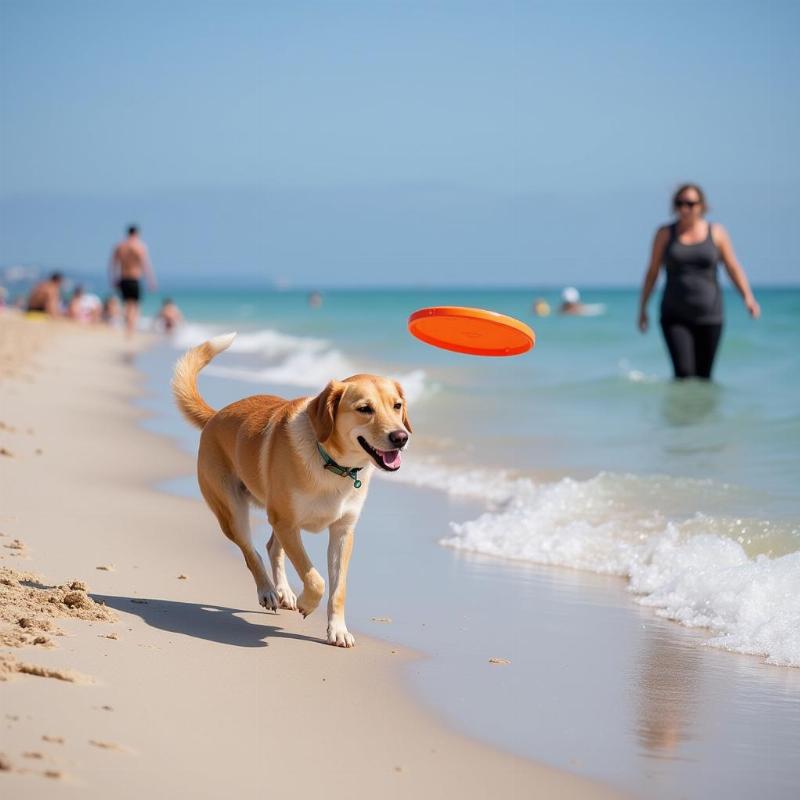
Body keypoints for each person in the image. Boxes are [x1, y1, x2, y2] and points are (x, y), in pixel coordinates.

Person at [638, 184, 760, 380]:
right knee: (684, 373)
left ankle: (703, 412)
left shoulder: (717, 233)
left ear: (702, 206)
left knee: (704, 377)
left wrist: (748, 298)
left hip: (710, 315)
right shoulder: (664, 234)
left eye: (690, 203)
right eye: (680, 203)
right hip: (674, 315)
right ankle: (679, 411)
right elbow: (652, 272)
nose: (685, 208)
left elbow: (732, 267)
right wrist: (642, 308)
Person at [108, 225, 157, 336]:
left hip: (123, 278)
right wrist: (151, 281)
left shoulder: (119, 247)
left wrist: (113, 278)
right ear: (137, 234)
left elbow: (112, 264)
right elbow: (145, 265)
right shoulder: (139, 246)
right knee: (135, 305)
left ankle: (127, 329)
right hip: (134, 279)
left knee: (126, 305)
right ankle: (131, 330)